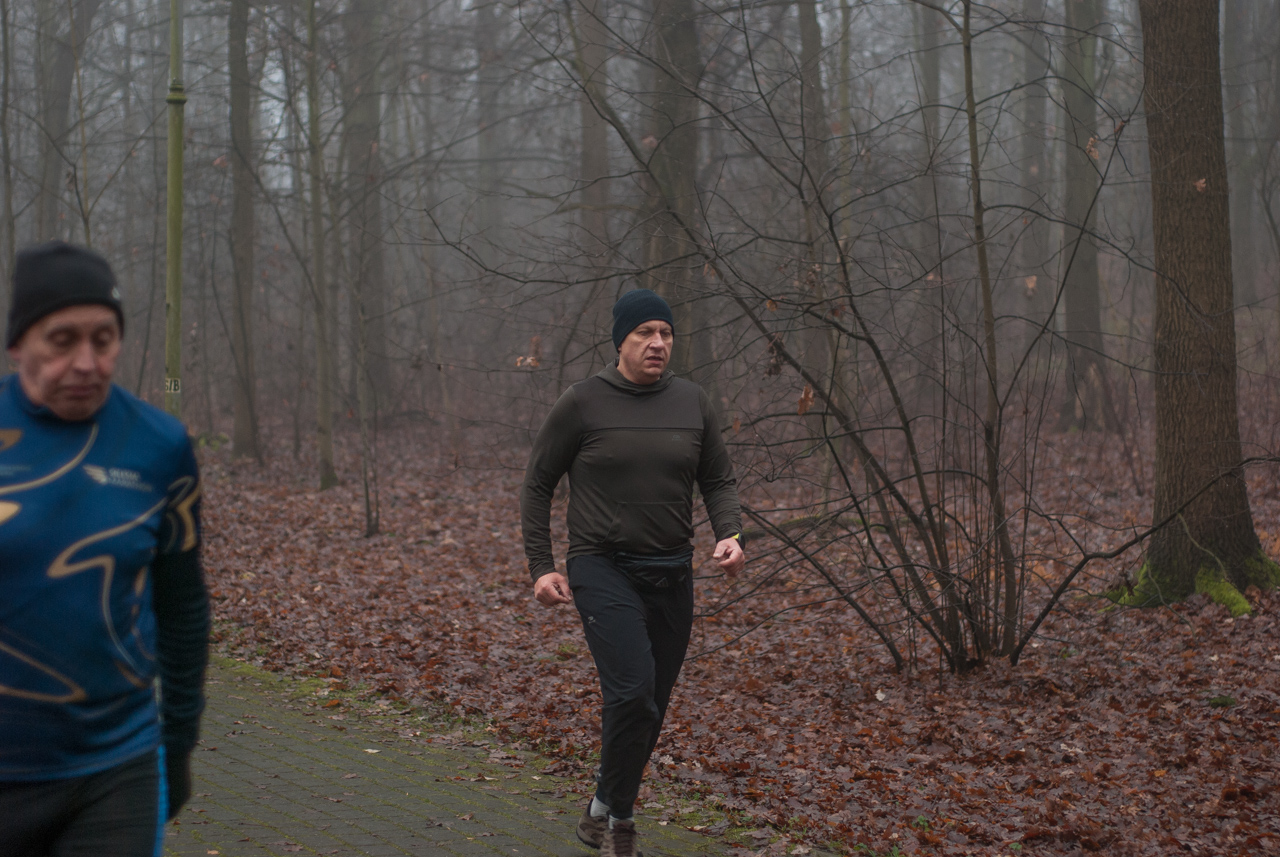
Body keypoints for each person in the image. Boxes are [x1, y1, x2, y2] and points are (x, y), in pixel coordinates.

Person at [0, 241, 209, 857]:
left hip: (114, 769)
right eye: (61, 340)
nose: (87, 362)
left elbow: (183, 609)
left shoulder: (160, 446)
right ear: (18, 345)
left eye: (104, 338)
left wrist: (179, 743)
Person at [520, 289, 745, 857]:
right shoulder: (583, 403)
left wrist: (730, 533)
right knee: (632, 692)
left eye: (666, 334)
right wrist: (542, 566)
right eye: (645, 332)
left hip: (672, 572)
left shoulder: (693, 402)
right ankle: (622, 824)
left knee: (652, 706)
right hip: (602, 567)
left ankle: (601, 801)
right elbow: (538, 484)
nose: (658, 343)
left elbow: (717, 479)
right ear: (620, 340)